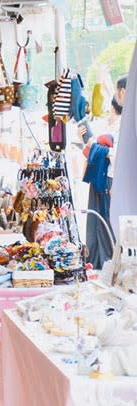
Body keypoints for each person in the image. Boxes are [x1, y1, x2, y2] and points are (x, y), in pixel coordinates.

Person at [82, 75, 127, 268]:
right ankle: (103, 262)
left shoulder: (127, 122)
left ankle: (109, 263)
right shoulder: (125, 121)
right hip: (109, 177)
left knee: (108, 221)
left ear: (122, 92)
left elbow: (120, 152)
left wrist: (97, 147)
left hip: (112, 179)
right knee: (103, 221)